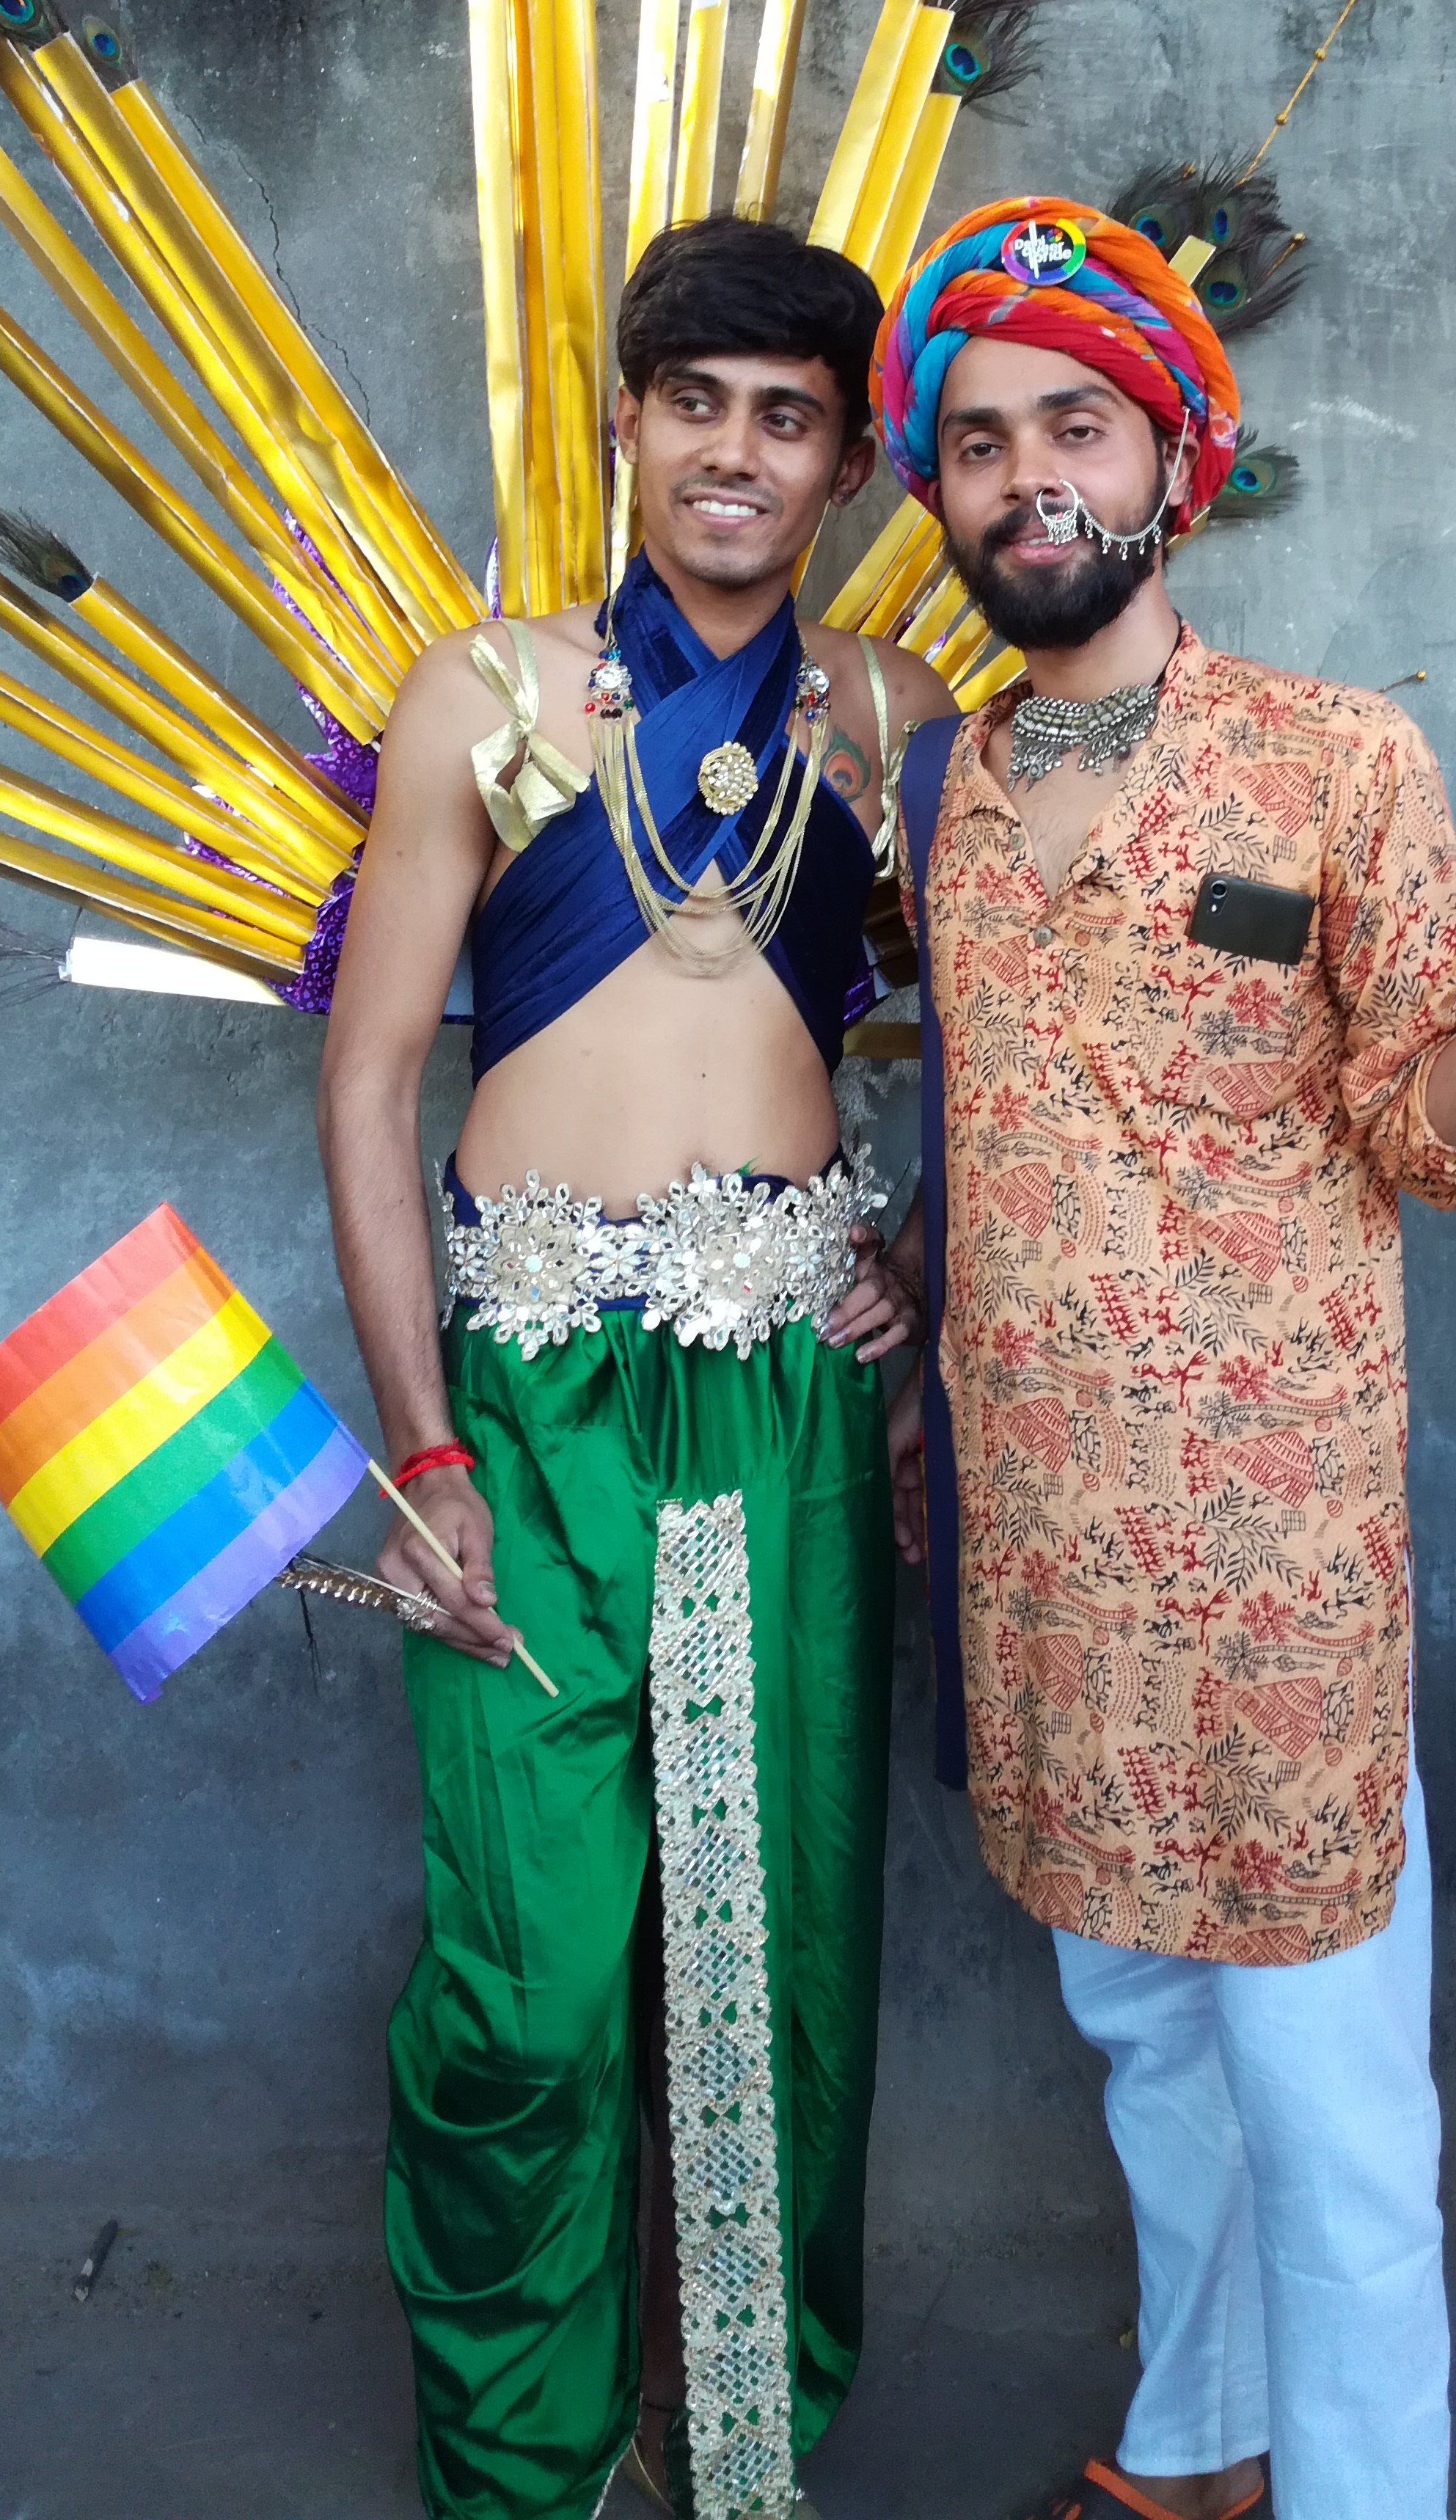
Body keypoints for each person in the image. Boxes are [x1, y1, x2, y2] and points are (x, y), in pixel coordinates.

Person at [866, 197, 1456, 2520]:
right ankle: (1203, 2445)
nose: (1031, 480)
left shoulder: (1335, 766)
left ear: (1174, 465)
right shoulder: (942, 793)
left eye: (1076, 428)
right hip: (1042, 1551)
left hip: (1281, 1565)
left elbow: (1437, 1136)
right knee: (1140, 2035)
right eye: (983, 443)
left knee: (1331, 2110)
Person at [316, 214, 940, 2520]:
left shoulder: (894, 720)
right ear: (629, 422)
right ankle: (522, 2465)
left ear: (852, 463)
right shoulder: (482, 695)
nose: (737, 456)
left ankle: (742, 2445)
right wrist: (421, 1444)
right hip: (532, 1395)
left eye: (789, 419)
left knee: (777, 1957)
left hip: (785, 1404)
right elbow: (372, 1081)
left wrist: (926, 1287)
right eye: (699, 405)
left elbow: (1026, 1057)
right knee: (535, 1972)